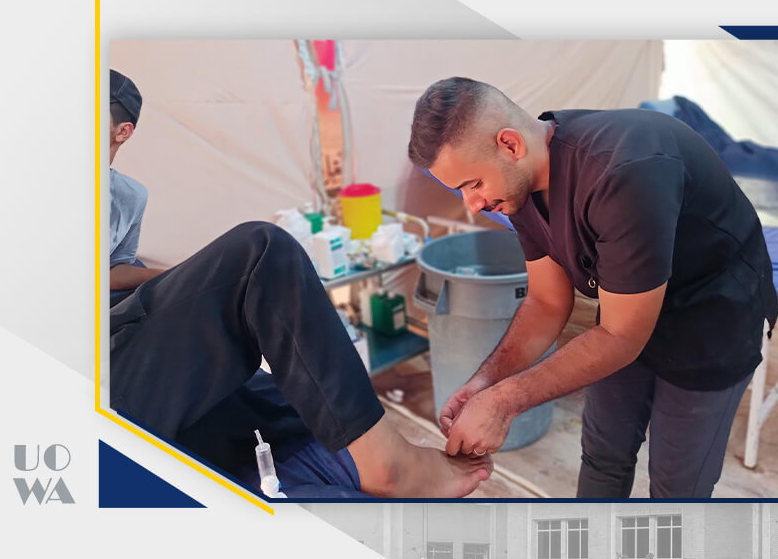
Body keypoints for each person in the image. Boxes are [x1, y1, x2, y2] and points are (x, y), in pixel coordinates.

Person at [108, 70, 492, 498]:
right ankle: (390, 465)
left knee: (295, 403)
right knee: (262, 251)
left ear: (123, 131)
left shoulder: (129, 195)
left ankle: (348, 462)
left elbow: (115, 267)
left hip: (123, 314)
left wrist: (189, 280)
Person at [409, 77, 778, 498]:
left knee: (677, 487)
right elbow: (547, 302)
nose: (473, 204)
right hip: (627, 306)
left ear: (510, 144)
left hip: (712, 320)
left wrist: (504, 401)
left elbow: (621, 336)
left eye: (473, 184)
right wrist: (486, 383)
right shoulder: (520, 185)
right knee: (604, 455)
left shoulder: (623, 172)